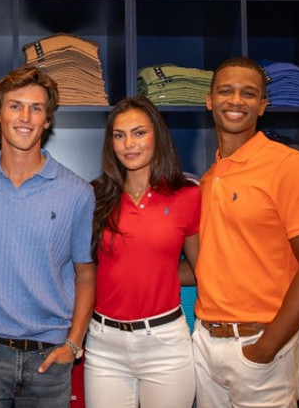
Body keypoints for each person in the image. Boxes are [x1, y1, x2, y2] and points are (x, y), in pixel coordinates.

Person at [0, 64, 95, 408]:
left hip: (49, 357)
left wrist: (73, 345)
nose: (25, 117)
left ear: (47, 120)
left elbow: (85, 274)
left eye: (36, 108)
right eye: (15, 106)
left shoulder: (77, 192)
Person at [193, 56, 299, 407]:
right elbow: (213, 261)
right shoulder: (210, 178)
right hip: (206, 343)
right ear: (209, 100)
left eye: (248, 93)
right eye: (226, 91)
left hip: (258, 346)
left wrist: (265, 349)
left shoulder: (290, 166)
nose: (236, 101)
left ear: (262, 105)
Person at [84, 95, 200, 408]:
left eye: (139, 133)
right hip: (104, 343)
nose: (128, 144)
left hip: (165, 343)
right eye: (119, 135)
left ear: (157, 136)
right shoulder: (94, 196)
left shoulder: (187, 195)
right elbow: (85, 269)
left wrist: (156, 274)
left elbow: (200, 269)